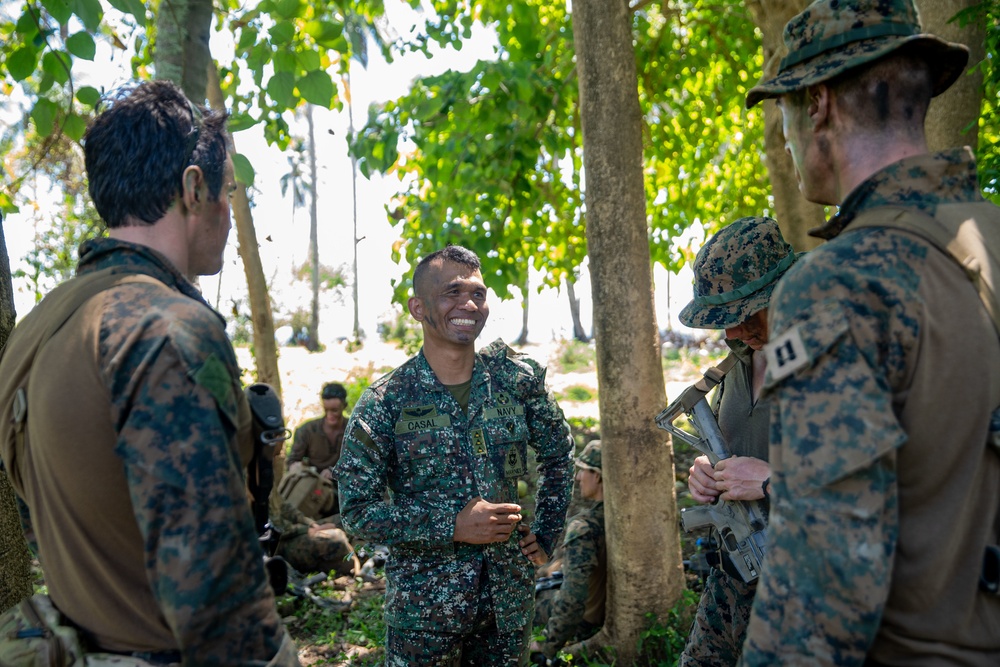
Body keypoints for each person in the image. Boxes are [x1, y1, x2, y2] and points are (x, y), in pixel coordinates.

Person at [0, 80, 297, 664]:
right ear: (193, 186)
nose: (229, 213)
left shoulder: (36, 330)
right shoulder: (168, 327)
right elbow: (218, 598)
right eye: (227, 192)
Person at [739, 0, 1000, 664]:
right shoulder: (989, 240)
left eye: (785, 114)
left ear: (818, 104)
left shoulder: (836, 283)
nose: (789, 139)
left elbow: (822, 591)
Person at [336, 244, 575, 666]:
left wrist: (548, 530)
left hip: (507, 607)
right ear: (418, 307)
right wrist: (453, 526)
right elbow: (357, 511)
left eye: (478, 294)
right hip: (424, 615)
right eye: (452, 292)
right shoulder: (386, 402)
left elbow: (559, 454)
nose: (469, 304)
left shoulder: (514, 382)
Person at [671, 216, 797, 666]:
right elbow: (732, 451)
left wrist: (770, 481)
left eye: (742, 315)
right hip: (733, 578)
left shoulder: (834, 359)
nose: (729, 334)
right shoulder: (736, 364)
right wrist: (705, 477)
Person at [530, 440, 607, 663]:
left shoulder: (584, 527)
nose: (578, 477)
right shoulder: (622, 518)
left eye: (583, 470)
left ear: (598, 476)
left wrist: (547, 644)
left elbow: (573, 597)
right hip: (603, 610)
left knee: (534, 597)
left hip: (587, 621)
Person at [287, 382, 349, 482]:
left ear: (344, 406)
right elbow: (292, 461)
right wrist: (296, 467)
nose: (329, 416)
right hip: (314, 485)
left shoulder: (354, 430)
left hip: (346, 485)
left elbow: (364, 462)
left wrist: (337, 471)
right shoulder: (307, 430)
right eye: (326, 410)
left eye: (334, 411)